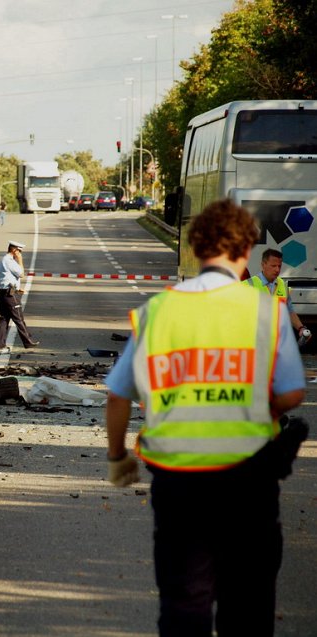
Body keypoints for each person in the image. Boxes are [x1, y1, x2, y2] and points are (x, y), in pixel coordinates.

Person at [105, 199, 306, 637]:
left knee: (184, 602)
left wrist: (118, 456)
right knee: (247, 606)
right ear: (246, 250)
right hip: (249, 482)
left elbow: (118, 395)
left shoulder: (158, 311)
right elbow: (291, 392)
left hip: (179, 484)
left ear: (196, 248)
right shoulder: (266, 313)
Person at [244, 247, 311, 344]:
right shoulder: (248, 285)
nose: (277, 270)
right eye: (273, 266)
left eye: (279, 266)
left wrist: (301, 328)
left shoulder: (283, 285)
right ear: (263, 265)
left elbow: (289, 311)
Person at [0, 240, 39, 353]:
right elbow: (21, 273)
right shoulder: (9, 261)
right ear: (14, 250)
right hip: (10, 295)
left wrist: (18, 288)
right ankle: (28, 342)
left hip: (4, 292)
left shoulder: (3, 260)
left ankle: (0, 346)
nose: (20, 253)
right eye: (19, 251)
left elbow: (7, 278)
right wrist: (20, 260)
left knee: (4, 319)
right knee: (19, 318)